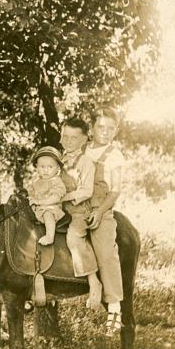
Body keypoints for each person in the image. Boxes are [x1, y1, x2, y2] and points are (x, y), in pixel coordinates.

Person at [85, 105, 124, 335]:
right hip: (76, 206)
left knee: (106, 251)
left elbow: (115, 190)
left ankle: (114, 305)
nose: (105, 132)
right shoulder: (83, 149)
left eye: (110, 128)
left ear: (115, 131)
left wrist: (99, 212)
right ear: (91, 128)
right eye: (100, 127)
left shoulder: (114, 155)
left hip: (101, 208)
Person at [60, 117, 102, 309]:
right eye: (65, 137)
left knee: (74, 238)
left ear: (84, 139)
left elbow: (86, 191)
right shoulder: (57, 160)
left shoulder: (86, 162)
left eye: (74, 138)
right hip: (57, 209)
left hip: (78, 210)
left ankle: (93, 282)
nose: (68, 141)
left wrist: (64, 197)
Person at [27, 146, 67, 246]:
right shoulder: (35, 182)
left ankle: (49, 237)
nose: (46, 170)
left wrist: (39, 202)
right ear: (36, 167)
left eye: (50, 167)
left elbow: (56, 197)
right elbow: (30, 194)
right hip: (37, 208)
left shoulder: (56, 181)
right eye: (42, 167)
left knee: (47, 213)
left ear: (57, 168)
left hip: (51, 207)